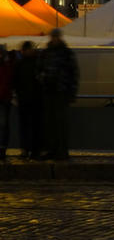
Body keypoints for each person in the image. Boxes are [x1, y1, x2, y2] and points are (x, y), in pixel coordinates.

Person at [38, 29, 79, 161]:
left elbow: (74, 73)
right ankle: (53, 150)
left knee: (60, 124)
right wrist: (43, 80)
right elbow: (38, 70)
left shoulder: (65, 53)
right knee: (50, 123)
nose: (54, 39)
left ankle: (61, 151)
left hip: (61, 92)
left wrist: (71, 92)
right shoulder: (47, 53)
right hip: (50, 92)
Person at [13, 41, 42, 159]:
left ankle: (26, 150)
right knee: (35, 127)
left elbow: (15, 82)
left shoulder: (20, 64)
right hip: (33, 99)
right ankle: (34, 151)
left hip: (26, 99)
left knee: (26, 126)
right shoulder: (37, 63)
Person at [0, 45, 13, 160]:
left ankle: (2, 149)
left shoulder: (7, 64)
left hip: (4, 99)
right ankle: (2, 149)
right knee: (4, 125)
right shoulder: (7, 64)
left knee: (3, 125)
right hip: (5, 99)